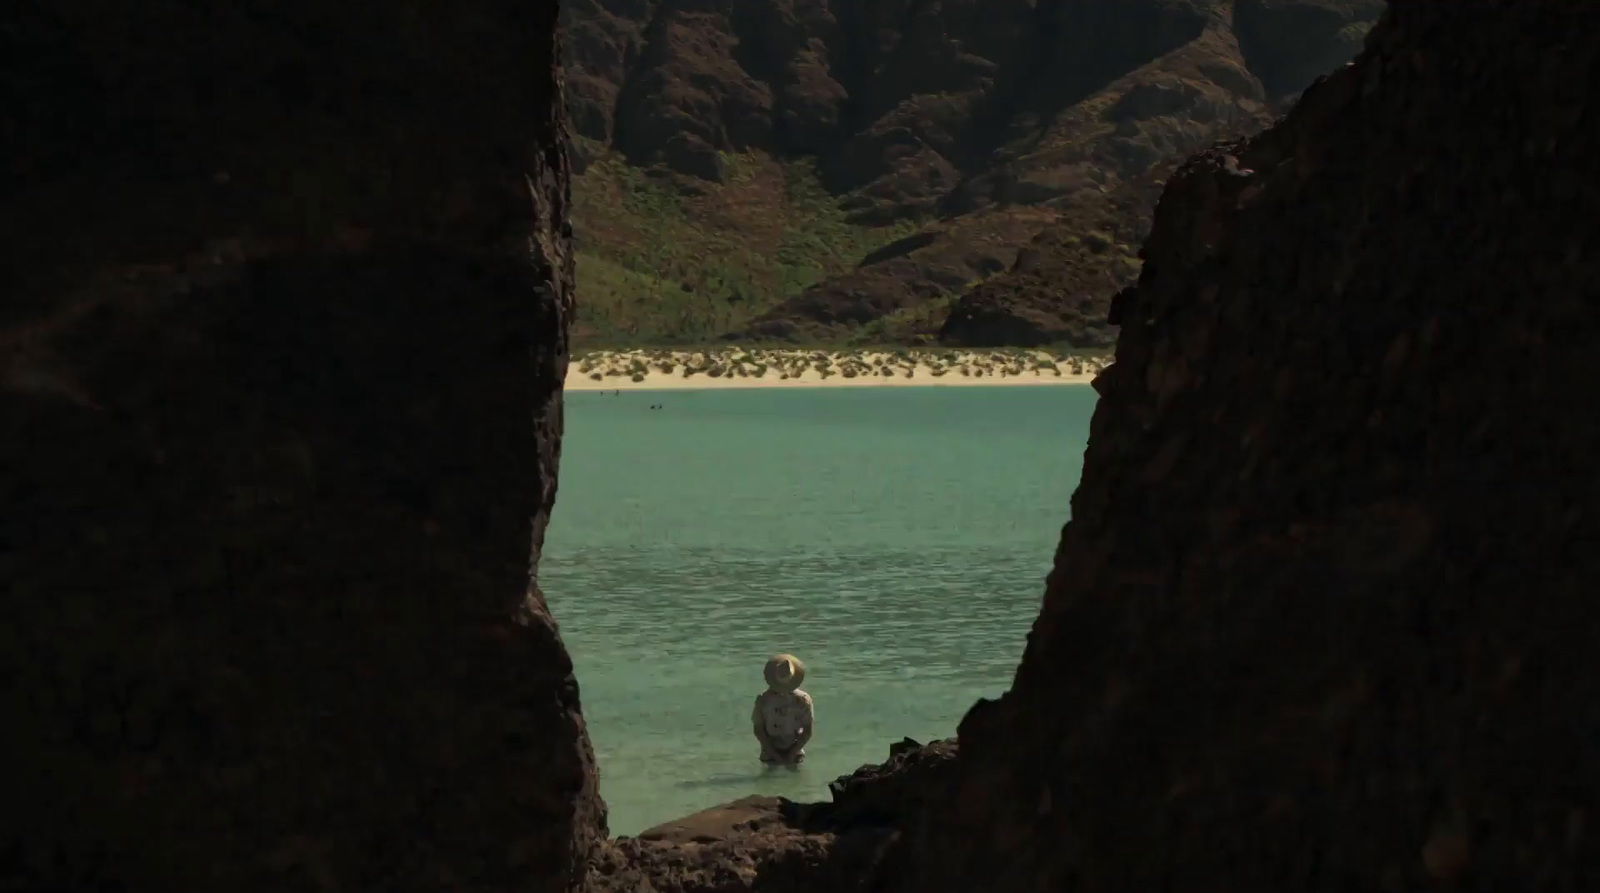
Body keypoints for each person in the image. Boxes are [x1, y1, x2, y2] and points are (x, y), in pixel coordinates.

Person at [752, 653, 813, 767]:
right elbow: (758, 730)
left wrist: (791, 754)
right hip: (769, 754)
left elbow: (808, 731)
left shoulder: (803, 700)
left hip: (795, 753)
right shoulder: (763, 700)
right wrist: (776, 756)